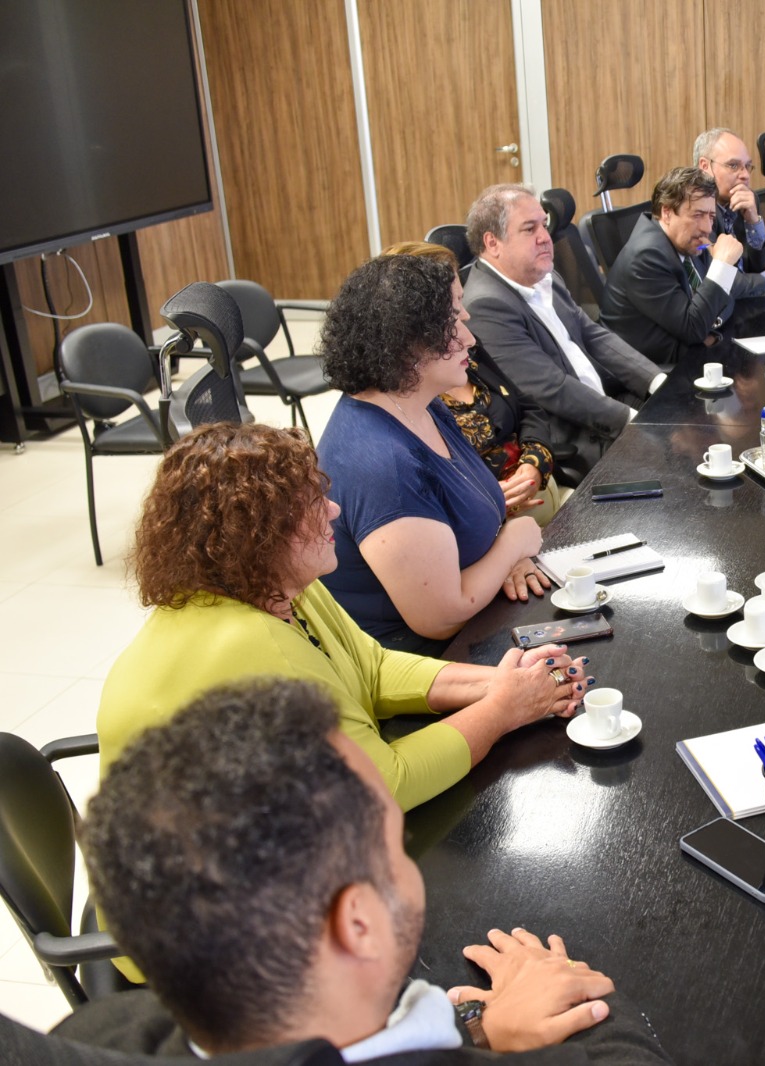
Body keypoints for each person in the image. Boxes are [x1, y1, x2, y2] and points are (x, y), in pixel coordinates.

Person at [64, 679, 668, 1062]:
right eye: (394, 841)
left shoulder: (96, 1031)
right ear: (357, 925)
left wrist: (476, 1025)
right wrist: (572, 996)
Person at [98, 422, 592, 813]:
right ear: (257, 535)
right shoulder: (250, 643)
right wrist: (504, 710)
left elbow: (372, 668)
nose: (334, 510)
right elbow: (386, 787)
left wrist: (506, 684)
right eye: (312, 503)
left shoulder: (278, 586)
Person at [315, 254, 550, 655]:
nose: (469, 336)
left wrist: (507, 563)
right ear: (409, 342)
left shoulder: (419, 404)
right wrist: (514, 543)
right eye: (454, 321)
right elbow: (440, 619)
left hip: (475, 625)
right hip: (423, 664)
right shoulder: (382, 465)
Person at [464, 183, 666, 477]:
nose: (545, 238)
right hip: (574, 435)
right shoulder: (487, 305)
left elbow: (593, 335)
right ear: (492, 243)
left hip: (604, 403)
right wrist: (631, 420)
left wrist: (656, 382)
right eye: (530, 229)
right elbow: (552, 387)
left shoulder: (544, 276)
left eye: (544, 226)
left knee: (689, 417)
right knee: (676, 462)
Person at [383, 241, 566, 526]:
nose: (466, 315)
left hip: (551, 499)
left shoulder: (466, 348)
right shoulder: (413, 397)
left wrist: (533, 466)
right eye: (454, 307)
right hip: (496, 538)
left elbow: (527, 407)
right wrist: (489, 505)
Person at [598, 167, 741, 365]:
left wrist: (708, 322)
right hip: (651, 374)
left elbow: (728, 301)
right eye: (697, 215)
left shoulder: (689, 241)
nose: (707, 228)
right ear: (666, 212)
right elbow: (693, 329)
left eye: (711, 216)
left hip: (689, 357)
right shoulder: (646, 257)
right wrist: (722, 265)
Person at [692, 127, 765, 295]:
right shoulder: (695, 211)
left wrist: (753, 222)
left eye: (747, 166)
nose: (745, 175)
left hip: (748, 308)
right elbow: (718, 281)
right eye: (733, 165)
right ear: (705, 166)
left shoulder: (748, 200)